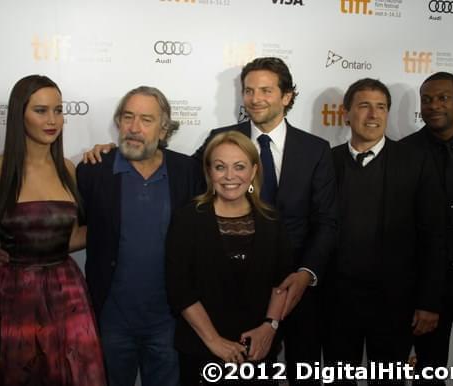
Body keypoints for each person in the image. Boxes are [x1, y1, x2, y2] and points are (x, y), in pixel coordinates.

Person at [82, 58, 337, 384]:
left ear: (287, 96)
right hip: (214, 306)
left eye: (266, 90)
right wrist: (116, 151)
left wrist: (305, 274)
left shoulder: (316, 149)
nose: (255, 98)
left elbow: (327, 221)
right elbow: (172, 167)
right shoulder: (219, 140)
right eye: (249, 90)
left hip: (292, 293)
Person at [0, 75, 106, 386]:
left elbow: (73, 238)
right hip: (14, 295)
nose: (52, 120)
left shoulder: (69, 169)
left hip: (68, 291)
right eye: (41, 110)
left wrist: (119, 222)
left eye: (58, 110)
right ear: (20, 114)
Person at [76, 86, 203, 386]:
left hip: (170, 322)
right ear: (118, 122)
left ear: (163, 129)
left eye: (146, 119)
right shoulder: (93, 170)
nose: (134, 128)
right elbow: (70, 229)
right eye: (128, 117)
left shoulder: (188, 172)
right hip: (110, 321)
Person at [323, 78, 446, 385]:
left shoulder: (415, 161)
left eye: (381, 107)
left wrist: (429, 300)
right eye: (364, 106)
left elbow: (435, 234)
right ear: (346, 113)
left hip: (395, 305)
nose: (373, 115)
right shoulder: (326, 162)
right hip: (337, 303)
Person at [166, 131, 292, 385]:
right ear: (209, 172)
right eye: (220, 167)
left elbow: (282, 283)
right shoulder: (187, 218)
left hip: (258, 352)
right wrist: (215, 342)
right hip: (202, 352)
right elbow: (180, 290)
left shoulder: (272, 220)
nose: (230, 176)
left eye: (239, 166)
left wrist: (269, 328)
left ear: (254, 170)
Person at [401, 72, 453, 385]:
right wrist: (423, 296)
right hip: (425, 295)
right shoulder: (405, 153)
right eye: (427, 99)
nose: (434, 105)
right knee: (428, 375)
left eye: (443, 98)